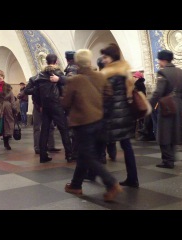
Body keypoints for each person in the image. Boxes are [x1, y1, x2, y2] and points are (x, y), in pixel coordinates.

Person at [62, 49, 122, 202]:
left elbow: (66, 103)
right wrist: (97, 105)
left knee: (88, 156)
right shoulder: (100, 76)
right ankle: (76, 185)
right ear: (90, 61)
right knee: (84, 153)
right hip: (100, 121)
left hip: (83, 122)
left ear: (76, 63)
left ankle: (111, 183)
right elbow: (109, 94)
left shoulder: (74, 80)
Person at [101, 43, 139, 188]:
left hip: (113, 116)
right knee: (127, 146)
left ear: (112, 57)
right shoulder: (124, 72)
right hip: (124, 114)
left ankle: (95, 176)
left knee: (98, 146)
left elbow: (107, 97)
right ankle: (133, 178)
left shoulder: (111, 75)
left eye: (105, 57)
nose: (103, 60)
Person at [150, 50, 182, 169]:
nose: (159, 62)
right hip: (178, 104)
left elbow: (158, 92)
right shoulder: (181, 72)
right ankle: (171, 157)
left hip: (166, 105)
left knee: (164, 133)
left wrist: (149, 105)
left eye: (159, 60)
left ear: (163, 60)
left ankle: (167, 160)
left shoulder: (162, 72)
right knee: (173, 132)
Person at [34, 54, 73, 163]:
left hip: (45, 106)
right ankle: (69, 155)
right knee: (64, 130)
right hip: (57, 105)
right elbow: (67, 85)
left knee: (44, 131)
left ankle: (43, 155)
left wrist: (39, 105)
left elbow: (35, 92)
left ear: (46, 62)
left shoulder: (40, 75)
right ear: (56, 62)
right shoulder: (58, 73)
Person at [50, 51, 79, 161]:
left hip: (71, 104)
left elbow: (71, 81)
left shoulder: (72, 68)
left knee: (72, 130)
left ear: (66, 59)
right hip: (71, 104)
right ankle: (73, 152)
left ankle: (74, 153)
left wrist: (59, 79)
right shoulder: (74, 67)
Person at [24, 74, 61, 155]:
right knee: (37, 127)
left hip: (48, 106)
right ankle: (37, 147)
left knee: (50, 126)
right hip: (38, 105)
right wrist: (37, 89)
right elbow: (26, 91)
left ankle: (51, 146)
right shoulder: (34, 79)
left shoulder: (52, 78)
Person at [97, 56, 117, 163]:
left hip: (101, 109)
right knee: (111, 132)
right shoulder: (113, 76)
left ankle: (102, 156)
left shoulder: (98, 77)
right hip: (112, 108)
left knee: (101, 134)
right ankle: (112, 153)